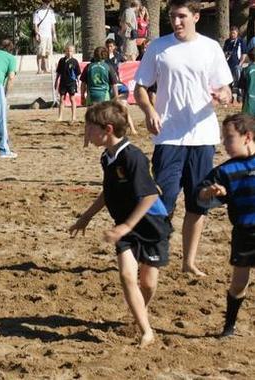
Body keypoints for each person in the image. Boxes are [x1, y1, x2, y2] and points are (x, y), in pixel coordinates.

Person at [134, 0, 232, 276]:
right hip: (168, 137)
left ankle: (189, 262)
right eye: (172, 17)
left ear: (196, 17)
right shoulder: (158, 47)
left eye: (181, 17)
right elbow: (141, 87)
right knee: (163, 200)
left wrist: (224, 94)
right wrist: (149, 109)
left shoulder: (210, 47)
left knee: (198, 202)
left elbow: (224, 87)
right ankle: (154, 255)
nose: (176, 22)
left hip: (203, 136)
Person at [70, 101, 171, 348]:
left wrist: (126, 226)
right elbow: (107, 192)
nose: (87, 133)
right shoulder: (107, 157)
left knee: (147, 283)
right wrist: (87, 216)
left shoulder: (133, 157)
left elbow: (149, 196)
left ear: (107, 129)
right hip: (124, 227)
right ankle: (146, 330)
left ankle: (139, 312)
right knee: (127, 275)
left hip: (152, 224)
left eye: (90, 128)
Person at [196, 114, 255, 337]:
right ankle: (229, 326)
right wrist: (210, 192)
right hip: (244, 233)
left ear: (247, 137)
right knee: (239, 283)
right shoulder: (224, 171)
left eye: (229, 138)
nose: (224, 143)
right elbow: (199, 195)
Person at [55, 44, 81, 123]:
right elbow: (58, 73)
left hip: (71, 83)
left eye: (71, 51)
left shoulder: (75, 61)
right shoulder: (61, 60)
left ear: (73, 52)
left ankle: (73, 117)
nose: (69, 53)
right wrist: (56, 81)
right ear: (65, 51)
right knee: (61, 99)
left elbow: (78, 74)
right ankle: (60, 117)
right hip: (63, 82)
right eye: (68, 51)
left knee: (72, 98)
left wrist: (78, 84)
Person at [224, 27, 246, 104]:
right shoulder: (227, 41)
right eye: (231, 33)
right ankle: (230, 97)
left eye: (234, 33)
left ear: (237, 33)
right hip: (228, 65)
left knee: (238, 81)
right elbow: (225, 52)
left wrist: (240, 64)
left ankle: (240, 96)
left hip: (237, 65)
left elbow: (244, 53)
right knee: (228, 81)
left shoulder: (240, 41)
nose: (232, 34)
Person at [33, 0, 56, 74]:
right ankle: (39, 69)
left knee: (47, 52)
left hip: (48, 35)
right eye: (46, 2)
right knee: (40, 53)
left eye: (48, 2)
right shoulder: (37, 12)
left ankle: (46, 68)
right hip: (41, 35)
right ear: (43, 2)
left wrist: (54, 34)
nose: (48, 4)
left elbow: (53, 25)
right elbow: (35, 25)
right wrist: (37, 34)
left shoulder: (51, 12)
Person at [239, 48, 255, 116]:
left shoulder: (246, 70)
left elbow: (241, 88)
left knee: (248, 122)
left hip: (249, 101)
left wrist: (241, 97)